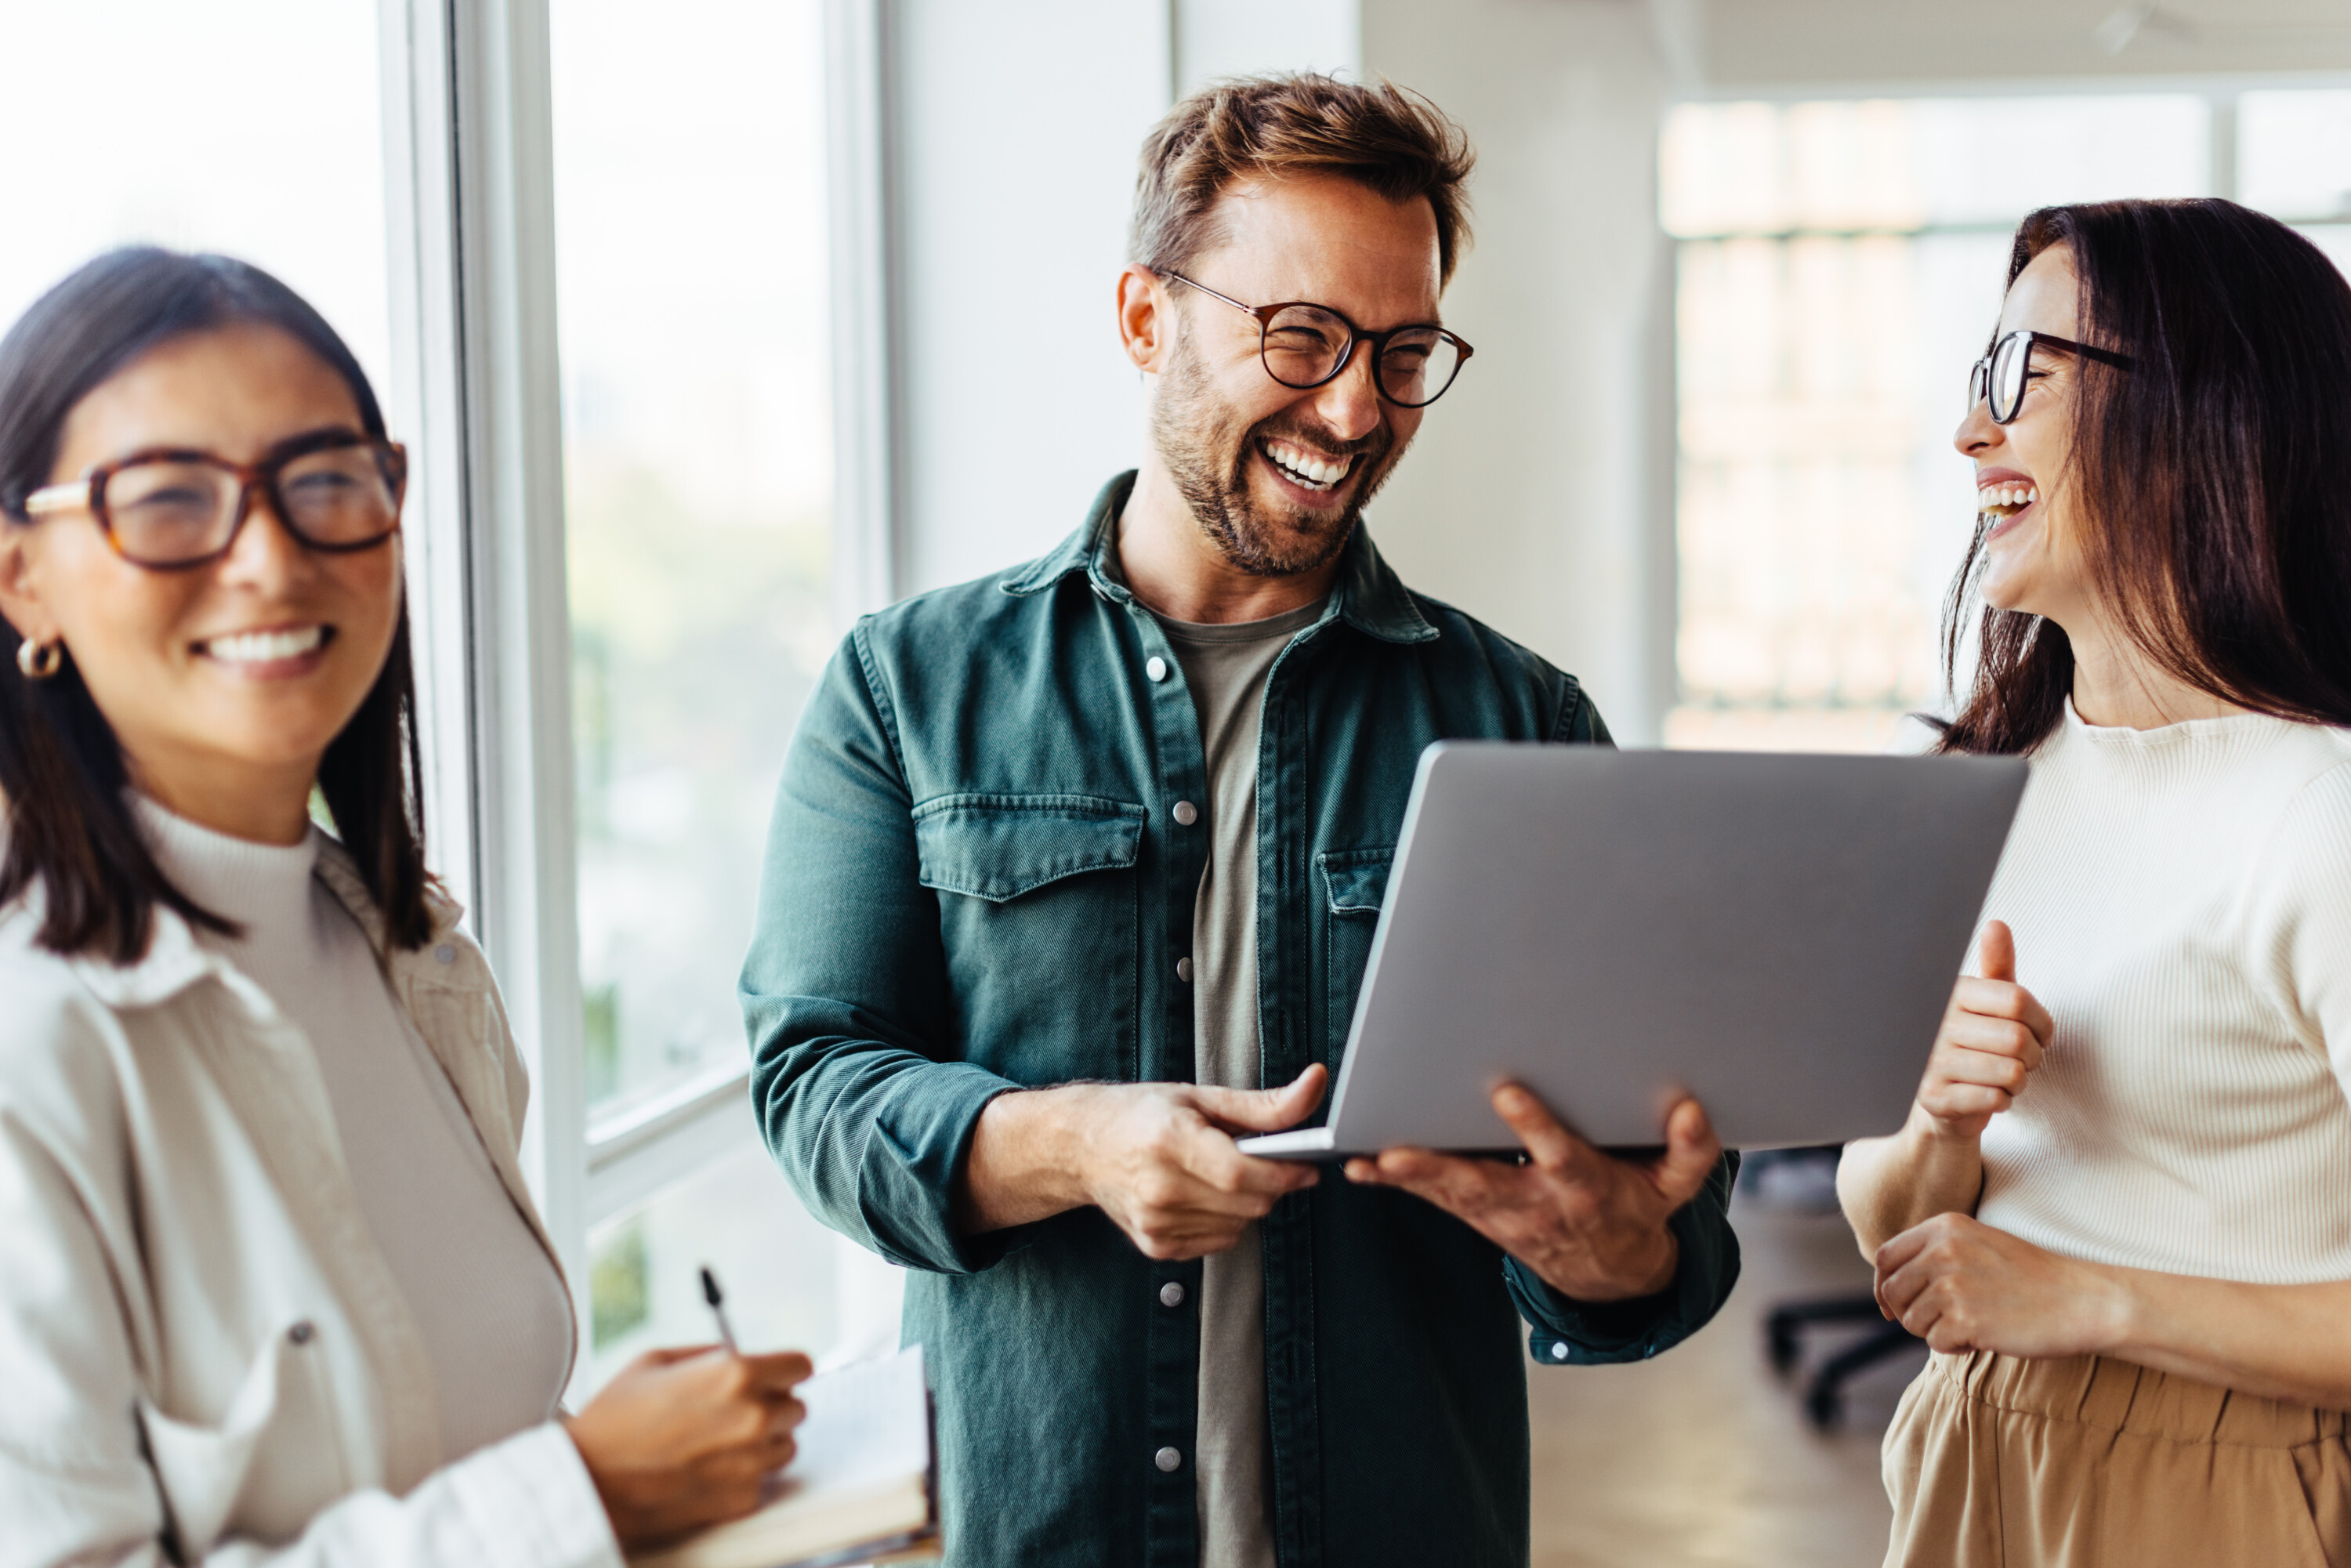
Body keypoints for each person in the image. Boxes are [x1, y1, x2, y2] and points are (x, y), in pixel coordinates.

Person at [741, 74, 1740, 1568]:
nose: (1354, 410)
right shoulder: (908, 687)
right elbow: (813, 1080)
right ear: (1147, 318)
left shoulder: (1526, 723)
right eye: (1302, 338)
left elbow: (1650, 1212)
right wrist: (1071, 1142)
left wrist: (1622, 1253)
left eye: (1405, 354)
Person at [0, 248, 813, 1566]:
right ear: (23, 576)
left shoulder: (416, 959)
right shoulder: (33, 1047)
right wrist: (585, 1493)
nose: (267, 560)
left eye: (324, 481)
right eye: (166, 502)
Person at [1836, 199, 2351, 1566]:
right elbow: (1890, 1225)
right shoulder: (1964, 781)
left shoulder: (2321, 813)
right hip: (1975, 1440)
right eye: (1977, 379)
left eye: (2025, 377)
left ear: (2204, 412)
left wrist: (2095, 1298)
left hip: (2231, 1478)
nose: (1971, 434)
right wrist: (1941, 1115)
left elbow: (2047, 1285)